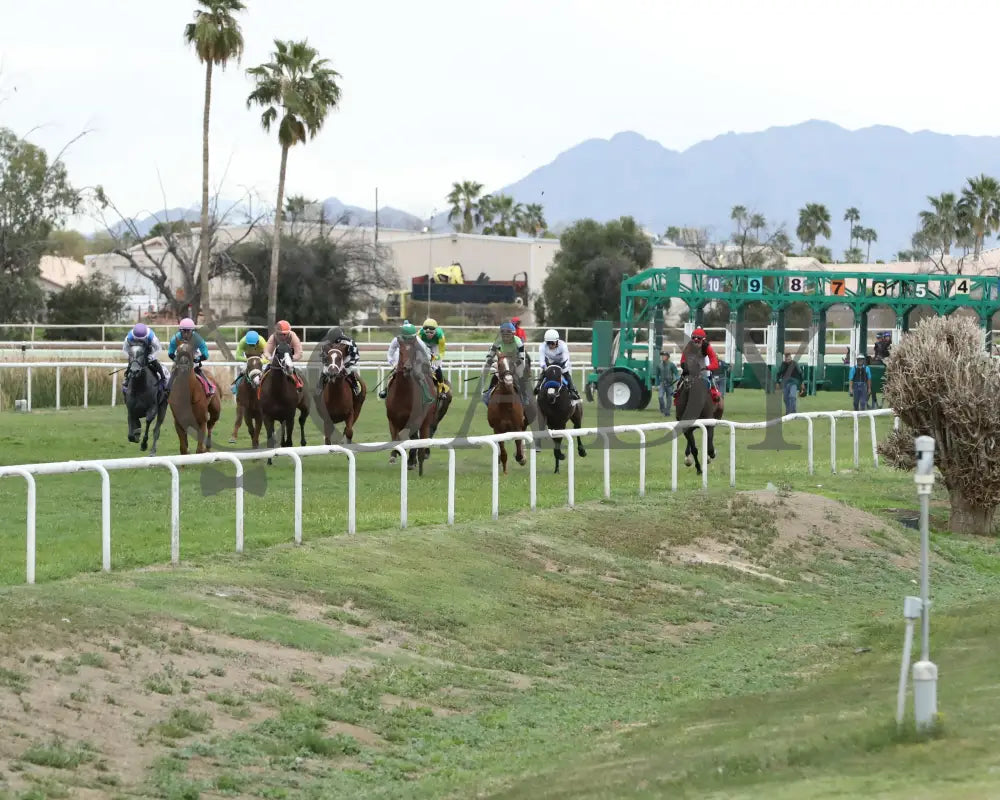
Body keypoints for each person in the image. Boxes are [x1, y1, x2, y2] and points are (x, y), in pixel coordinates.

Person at [379, 322, 433, 399]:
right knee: (393, 376)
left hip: (416, 361)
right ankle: (386, 390)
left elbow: (427, 356)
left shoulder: (419, 342)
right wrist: (393, 363)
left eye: (410, 338)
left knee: (420, 375)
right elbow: (390, 353)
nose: (407, 340)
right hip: (401, 362)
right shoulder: (397, 340)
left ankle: (426, 394)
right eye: (405, 338)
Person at [483, 322, 529, 406]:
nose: (506, 338)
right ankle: (488, 396)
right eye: (504, 335)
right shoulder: (497, 342)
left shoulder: (518, 342)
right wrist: (494, 364)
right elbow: (489, 357)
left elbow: (522, 358)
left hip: (516, 362)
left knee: (520, 376)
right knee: (495, 378)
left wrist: (514, 366)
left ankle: (525, 397)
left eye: (508, 335)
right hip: (503, 363)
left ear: (513, 334)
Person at [534, 328, 580, 401]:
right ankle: (537, 387)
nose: (550, 345)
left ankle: (572, 391)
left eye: (552, 343)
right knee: (543, 373)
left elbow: (566, 359)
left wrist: (563, 368)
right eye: (548, 343)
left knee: (566, 374)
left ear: (557, 341)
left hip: (562, 363)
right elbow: (542, 361)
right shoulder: (542, 346)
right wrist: (545, 368)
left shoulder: (563, 345)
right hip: (550, 362)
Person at [317, 325, 363, 396]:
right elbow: (322, 356)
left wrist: (347, 364)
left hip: (345, 359)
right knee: (325, 370)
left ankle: (355, 386)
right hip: (333, 360)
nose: (331, 341)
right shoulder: (326, 343)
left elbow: (356, 356)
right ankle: (320, 387)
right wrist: (327, 363)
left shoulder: (349, 342)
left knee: (348, 370)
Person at [166, 317, 209, 391]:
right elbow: (170, 353)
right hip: (180, 355)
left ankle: (208, 387)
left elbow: (205, 353)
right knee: (174, 369)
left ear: (192, 331)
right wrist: (176, 359)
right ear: (180, 331)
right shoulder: (175, 338)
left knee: (197, 369)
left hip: (193, 355)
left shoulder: (197, 338)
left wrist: (198, 359)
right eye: (183, 331)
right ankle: (167, 390)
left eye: (188, 331)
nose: (185, 334)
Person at [122, 322, 166, 393]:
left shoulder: (151, 336)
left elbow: (158, 349)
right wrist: (131, 358)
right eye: (137, 339)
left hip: (149, 351)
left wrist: (152, 357)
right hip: (135, 352)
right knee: (132, 364)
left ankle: (163, 378)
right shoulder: (129, 337)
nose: (139, 340)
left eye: (141, 339)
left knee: (155, 362)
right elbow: (125, 350)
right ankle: (127, 379)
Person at [679, 327, 721, 400]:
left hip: (704, 363)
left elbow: (715, 364)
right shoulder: (688, 346)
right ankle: (677, 395)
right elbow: (682, 361)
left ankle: (714, 393)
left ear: (703, 340)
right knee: (682, 381)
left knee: (708, 377)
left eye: (699, 340)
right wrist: (686, 368)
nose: (696, 343)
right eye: (694, 339)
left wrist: (706, 367)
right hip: (691, 364)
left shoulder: (707, 347)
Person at [262, 319, 303, 388]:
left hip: (290, 359)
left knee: (299, 370)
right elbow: (266, 351)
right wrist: (270, 358)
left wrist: (291, 358)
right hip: (277, 359)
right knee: (264, 369)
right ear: (276, 332)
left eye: (285, 334)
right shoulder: (273, 336)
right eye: (280, 334)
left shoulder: (293, 336)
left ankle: (299, 384)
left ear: (289, 332)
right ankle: (261, 383)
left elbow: (299, 353)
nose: (282, 336)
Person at [231, 330, 265, 394]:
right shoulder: (242, 342)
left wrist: (260, 361)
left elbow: (267, 357)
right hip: (247, 358)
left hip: (260, 357)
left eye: (253, 344)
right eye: (250, 344)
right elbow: (237, 357)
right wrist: (250, 360)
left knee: (266, 369)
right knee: (243, 370)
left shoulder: (262, 342)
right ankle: (236, 385)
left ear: (257, 342)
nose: (251, 346)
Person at [418, 318, 447, 392]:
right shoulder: (420, 334)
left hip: (436, 345)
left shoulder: (440, 334)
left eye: (431, 333)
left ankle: (442, 387)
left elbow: (442, 352)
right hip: (424, 344)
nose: (429, 335)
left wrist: (436, 357)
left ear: (436, 330)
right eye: (427, 333)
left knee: (436, 365)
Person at [656, 349, 679, 415]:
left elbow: (676, 372)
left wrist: (677, 376)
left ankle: (667, 412)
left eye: (664, 356)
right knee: (660, 397)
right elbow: (657, 375)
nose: (663, 357)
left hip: (670, 384)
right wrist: (656, 384)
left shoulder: (671, 365)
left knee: (669, 398)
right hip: (662, 384)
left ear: (667, 357)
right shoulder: (659, 365)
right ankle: (662, 408)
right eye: (662, 356)